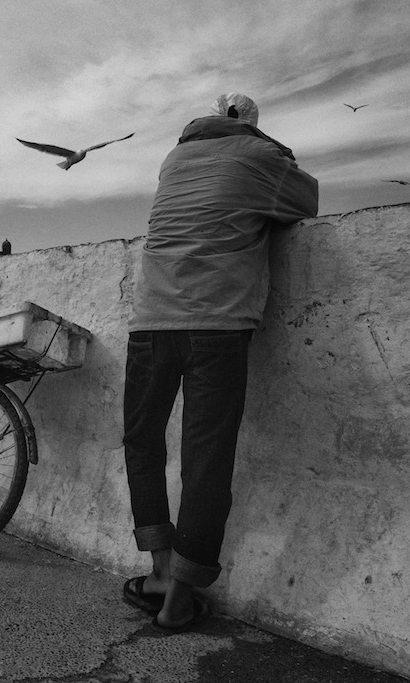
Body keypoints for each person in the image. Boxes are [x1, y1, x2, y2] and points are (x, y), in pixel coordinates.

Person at [122, 93, 319, 635]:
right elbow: (307, 202)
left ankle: (159, 570)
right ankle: (180, 596)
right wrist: (274, 150)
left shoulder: (172, 158)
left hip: (150, 320)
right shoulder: (261, 160)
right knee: (205, 459)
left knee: (142, 441)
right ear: (253, 128)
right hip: (217, 325)